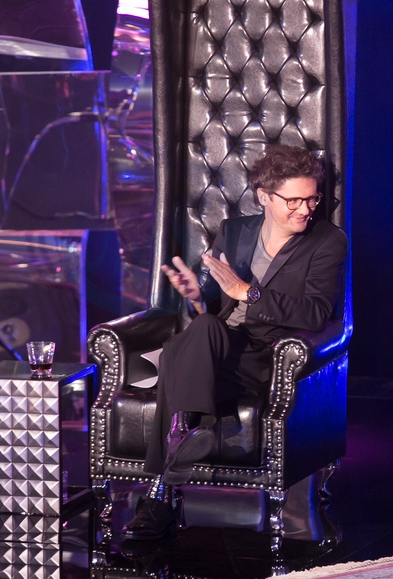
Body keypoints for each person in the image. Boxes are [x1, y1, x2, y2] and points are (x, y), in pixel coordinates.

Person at [121, 144, 348, 540]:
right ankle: (185, 435)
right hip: (220, 345)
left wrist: (249, 292)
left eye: (312, 199)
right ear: (264, 197)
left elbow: (315, 313)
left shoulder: (327, 241)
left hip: (267, 354)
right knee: (203, 329)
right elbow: (214, 303)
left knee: (173, 356)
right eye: (294, 201)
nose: (305, 209)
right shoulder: (236, 231)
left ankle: (161, 492)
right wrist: (195, 295)